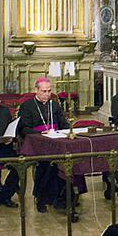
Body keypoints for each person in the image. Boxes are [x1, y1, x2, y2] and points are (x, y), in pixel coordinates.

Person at [18, 77, 69, 213]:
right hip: (37, 143)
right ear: (36, 90)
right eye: (44, 91)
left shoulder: (55, 105)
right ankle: (41, 198)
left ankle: (61, 197)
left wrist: (68, 130)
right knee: (46, 165)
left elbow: (63, 122)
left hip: (57, 141)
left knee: (66, 163)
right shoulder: (27, 106)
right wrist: (41, 133)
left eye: (49, 91)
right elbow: (24, 128)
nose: (47, 94)